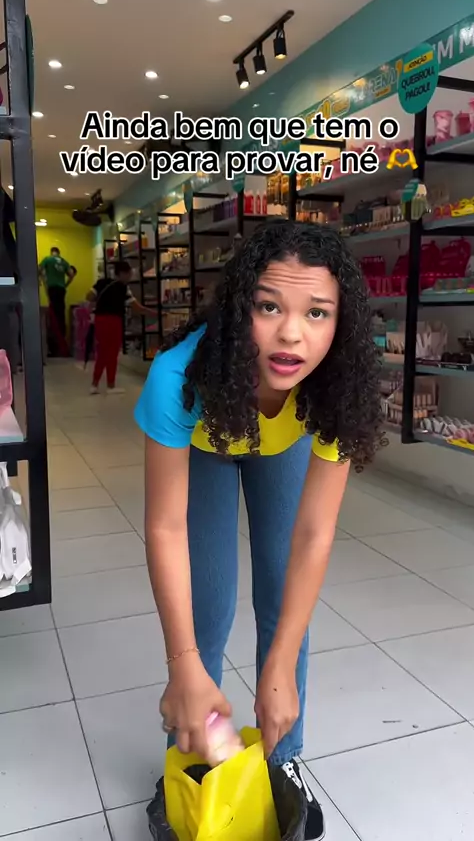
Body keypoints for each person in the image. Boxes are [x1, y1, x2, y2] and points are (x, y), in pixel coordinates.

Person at [134, 219, 383, 840]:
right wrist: (182, 663)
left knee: (283, 604)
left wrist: (279, 667)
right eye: (269, 306)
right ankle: (195, 752)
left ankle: (283, 756)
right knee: (208, 607)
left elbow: (314, 535)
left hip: (281, 447)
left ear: (341, 322)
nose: (292, 334)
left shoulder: (338, 386)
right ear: (239, 305)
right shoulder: (177, 378)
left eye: (317, 312)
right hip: (209, 442)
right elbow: (165, 528)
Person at [87, 259, 156, 394]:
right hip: (114, 321)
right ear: (123, 273)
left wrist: (98, 303)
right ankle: (110, 385)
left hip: (100, 320)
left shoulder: (101, 283)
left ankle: (94, 384)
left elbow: (89, 296)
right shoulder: (124, 288)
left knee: (102, 352)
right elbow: (138, 308)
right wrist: (155, 313)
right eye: (129, 273)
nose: (130, 276)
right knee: (112, 353)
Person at [38, 247, 76, 354]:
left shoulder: (48, 259)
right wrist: (65, 285)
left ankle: (54, 346)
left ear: (52, 252)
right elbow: (71, 274)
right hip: (61, 290)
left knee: (53, 314)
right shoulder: (64, 261)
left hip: (52, 288)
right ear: (59, 253)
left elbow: (39, 269)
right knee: (61, 314)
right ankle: (61, 342)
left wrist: (40, 278)